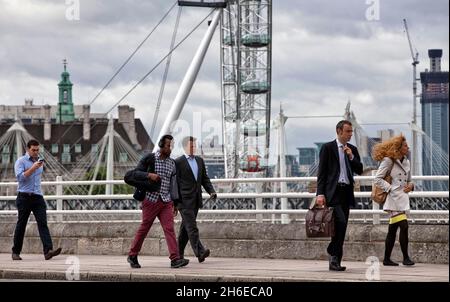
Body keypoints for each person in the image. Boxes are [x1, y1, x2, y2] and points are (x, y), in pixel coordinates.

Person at [127, 134, 189, 269]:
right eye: (168, 146)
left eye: (172, 146)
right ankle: (132, 255)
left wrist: (175, 203)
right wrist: (149, 175)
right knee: (144, 228)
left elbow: (173, 184)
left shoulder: (172, 163)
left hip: (166, 201)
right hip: (150, 199)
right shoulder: (149, 158)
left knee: (169, 229)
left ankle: (175, 259)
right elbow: (135, 173)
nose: (170, 148)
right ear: (161, 145)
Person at [316, 120, 363, 271]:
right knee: (340, 222)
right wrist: (320, 194)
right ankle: (332, 252)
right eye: (348, 131)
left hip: (346, 191)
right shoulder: (327, 148)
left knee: (341, 227)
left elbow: (360, 169)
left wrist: (351, 157)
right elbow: (321, 173)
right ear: (339, 131)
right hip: (333, 192)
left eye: (351, 132)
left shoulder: (352, 149)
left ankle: (335, 261)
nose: (350, 134)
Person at [12, 140, 62, 261]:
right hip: (24, 197)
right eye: (33, 150)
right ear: (27, 149)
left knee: (43, 223)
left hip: (38, 197)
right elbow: (20, 178)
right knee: (21, 225)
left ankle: (48, 251)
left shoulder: (39, 162)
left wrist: (36, 166)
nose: (36, 152)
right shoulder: (21, 161)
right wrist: (33, 168)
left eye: (37, 150)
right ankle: (15, 252)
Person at [372, 135, 415, 266]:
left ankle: (386, 259)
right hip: (393, 199)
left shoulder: (406, 161)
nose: (408, 147)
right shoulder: (388, 160)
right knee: (404, 226)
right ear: (399, 147)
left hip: (403, 198)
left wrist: (411, 186)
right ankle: (406, 258)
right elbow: (377, 179)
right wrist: (390, 188)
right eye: (405, 145)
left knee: (392, 229)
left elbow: (409, 180)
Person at [175, 136, 217, 263]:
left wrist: (211, 191)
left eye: (195, 146)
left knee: (185, 229)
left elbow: (204, 178)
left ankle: (178, 254)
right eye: (191, 146)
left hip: (196, 200)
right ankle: (200, 252)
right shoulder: (178, 162)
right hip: (183, 201)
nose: (194, 148)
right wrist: (175, 203)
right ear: (185, 147)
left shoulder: (199, 160)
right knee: (192, 227)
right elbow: (175, 183)